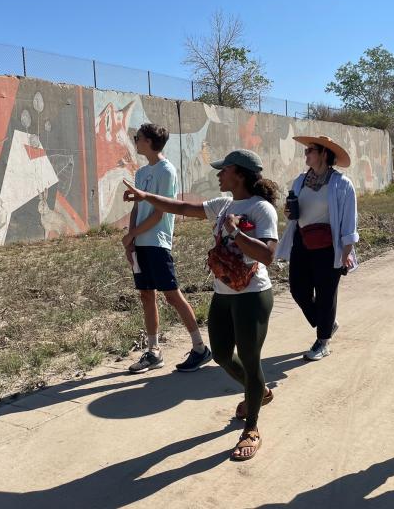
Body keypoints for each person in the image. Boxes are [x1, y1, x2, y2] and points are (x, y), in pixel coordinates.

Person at [123, 149, 279, 461]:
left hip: (252, 295)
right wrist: (145, 195)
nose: (219, 175)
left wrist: (236, 232)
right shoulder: (224, 204)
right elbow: (181, 207)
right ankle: (257, 391)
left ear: (239, 173)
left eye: (224, 170)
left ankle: (251, 428)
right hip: (223, 293)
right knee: (221, 354)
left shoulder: (262, 209)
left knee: (250, 359)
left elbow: (267, 256)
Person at [122, 123, 212, 374]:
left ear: (148, 141)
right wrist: (130, 239)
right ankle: (153, 352)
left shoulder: (167, 171)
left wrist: (133, 234)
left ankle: (200, 348)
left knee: (172, 295)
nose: (135, 140)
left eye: (137, 137)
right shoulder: (141, 173)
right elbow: (138, 209)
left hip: (158, 242)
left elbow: (161, 213)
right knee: (146, 295)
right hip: (140, 243)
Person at [275, 135, 358, 361]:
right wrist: (289, 212)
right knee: (298, 290)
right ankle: (327, 323)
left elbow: (350, 222)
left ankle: (323, 341)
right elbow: (295, 212)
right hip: (302, 241)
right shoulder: (300, 181)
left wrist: (346, 253)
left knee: (326, 294)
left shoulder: (341, 184)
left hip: (329, 245)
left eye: (310, 150)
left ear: (323, 153)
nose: (306, 154)